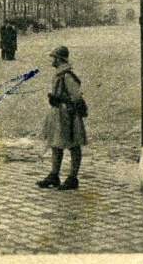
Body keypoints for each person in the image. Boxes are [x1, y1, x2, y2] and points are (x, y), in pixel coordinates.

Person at [37, 46, 88, 190]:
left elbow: (76, 96)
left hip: (68, 114)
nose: (52, 60)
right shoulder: (59, 74)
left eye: (53, 57)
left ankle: (73, 178)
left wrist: (64, 103)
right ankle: (54, 175)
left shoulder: (67, 76)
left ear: (59, 59)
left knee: (73, 144)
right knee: (55, 143)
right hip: (58, 113)